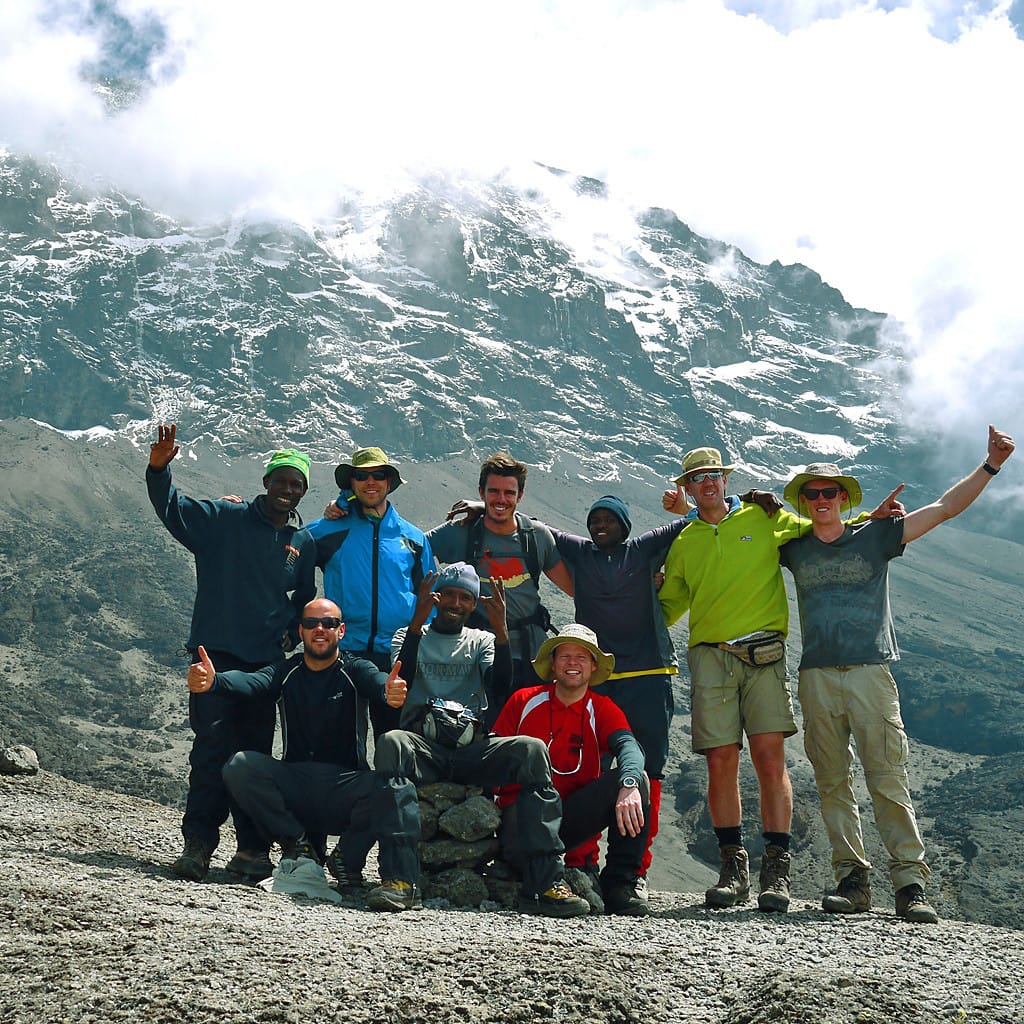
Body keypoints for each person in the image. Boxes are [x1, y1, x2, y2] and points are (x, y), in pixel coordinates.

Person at [779, 424, 1015, 923]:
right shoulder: (792, 547)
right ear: (803, 501)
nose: (821, 500)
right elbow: (733, 533)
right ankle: (853, 881)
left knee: (887, 777)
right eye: (812, 494)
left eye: (828, 492)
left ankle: (910, 883)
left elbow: (944, 509)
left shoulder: (877, 536)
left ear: (843, 497)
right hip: (816, 675)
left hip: (870, 672)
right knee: (831, 781)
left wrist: (991, 464)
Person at [659, 446, 894, 913]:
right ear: (687, 487)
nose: (708, 483)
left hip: (763, 654)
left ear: (726, 480)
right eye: (698, 478)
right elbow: (670, 606)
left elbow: (822, 527)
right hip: (710, 657)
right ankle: (733, 869)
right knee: (720, 761)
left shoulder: (763, 517)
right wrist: (633, 595)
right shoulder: (684, 540)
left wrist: (871, 519)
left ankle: (776, 870)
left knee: (770, 759)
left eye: (714, 475)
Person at [146, 423, 316, 883]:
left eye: (296, 484)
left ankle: (252, 851)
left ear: (303, 491)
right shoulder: (225, 517)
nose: (287, 489)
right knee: (211, 750)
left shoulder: (301, 543)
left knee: (254, 758)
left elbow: (303, 596)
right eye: (281, 480)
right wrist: (159, 469)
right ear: (266, 482)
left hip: (264, 667)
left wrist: (291, 633)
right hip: (214, 658)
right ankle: (198, 846)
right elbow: (172, 509)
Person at [375, 562, 590, 917]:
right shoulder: (406, 635)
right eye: (448, 595)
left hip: (473, 749)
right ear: (435, 598)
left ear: (474, 604)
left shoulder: (482, 640)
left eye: (465, 597)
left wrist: (501, 630)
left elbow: (501, 686)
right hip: (424, 747)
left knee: (532, 750)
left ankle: (545, 882)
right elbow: (405, 677)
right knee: (391, 742)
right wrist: (417, 623)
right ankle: (400, 880)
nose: (455, 603)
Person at [186, 598, 422, 912]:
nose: (319, 629)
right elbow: (253, 682)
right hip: (296, 786)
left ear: (341, 630)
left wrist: (387, 691)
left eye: (328, 623)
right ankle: (299, 845)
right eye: (311, 624)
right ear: (301, 631)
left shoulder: (355, 668)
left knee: (396, 787)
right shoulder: (288, 670)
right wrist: (215, 681)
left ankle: (366, 866)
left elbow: (378, 683)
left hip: (344, 789)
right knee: (240, 766)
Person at [493, 623, 652, 916]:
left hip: (569, 820)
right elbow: (493, 756)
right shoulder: (523, 701)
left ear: (593, 666)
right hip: (523, 821)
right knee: (532, 799)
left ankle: (620, 885)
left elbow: (629, 747)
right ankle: (541, 884)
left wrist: (629, 783)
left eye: (581, 657)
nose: (572, 663)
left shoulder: (602, 709)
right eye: (565, 656)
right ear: (553, 664)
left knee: (637, 780)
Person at [309, 446, 433, 739]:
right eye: (361, 476)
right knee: (341, 741)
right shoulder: (327, 531)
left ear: (389, 482)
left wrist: (423, 645)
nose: (370, 482)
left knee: (394, 740)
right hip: (344, 650)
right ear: (351, 484)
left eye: (378, 475)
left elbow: (429, 597)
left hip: (396, 653)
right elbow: (284, 551)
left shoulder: (413, 538)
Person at [427, 453, 573, 696]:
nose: (501, 499)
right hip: (478, 655)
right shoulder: (461, 531)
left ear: (520, 495)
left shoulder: (536, 536)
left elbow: (574, 589)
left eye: (509, 493)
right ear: (481, 492)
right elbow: (411, 549)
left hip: (531, 656)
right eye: (493, 491)